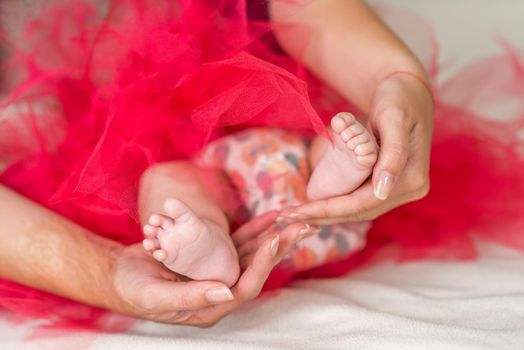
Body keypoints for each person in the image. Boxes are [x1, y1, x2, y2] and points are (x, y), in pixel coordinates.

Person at [0, 0, 437, 329]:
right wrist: (106, 271)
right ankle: (217, 239)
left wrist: (394, 78)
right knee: (175, 182)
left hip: (261, 148)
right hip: (258, 176)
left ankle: (330, 172)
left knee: (175, 178)